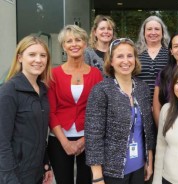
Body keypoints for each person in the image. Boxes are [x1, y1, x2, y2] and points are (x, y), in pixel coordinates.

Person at [85, 38, 156, 184]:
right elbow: (93, 136)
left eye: (130, 56)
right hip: (113, 171)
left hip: (139, 167)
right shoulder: (101, 90)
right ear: (110, 61)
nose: (126, 61)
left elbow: (148, 130)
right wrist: (97, 176)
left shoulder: (142, 88)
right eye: (120, 56)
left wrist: (149, 161)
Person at [47, 25, 103, 184]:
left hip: (89, 138)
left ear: (85, 44)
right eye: (69, 41)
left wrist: (83, 140)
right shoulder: (54, 74)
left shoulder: (95, 74)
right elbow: (51, 112)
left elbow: (99, 111)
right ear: (63, 46)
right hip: (59, 139)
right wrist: (65, 143)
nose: (74, 44)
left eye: (78, 40)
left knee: (85, 181)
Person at [0, 35, 53, 184]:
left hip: (36, 173)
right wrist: (9, 178)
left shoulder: (43, 90)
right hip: (15, 175)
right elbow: (2, 141)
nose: (38, 60)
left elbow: (40, 133)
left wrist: (46, 164)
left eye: (43, 55)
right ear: (20, 58)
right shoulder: (9, 91)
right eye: (32, 54)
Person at [136, 15, 170, 99]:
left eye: (157, 29)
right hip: (140, 102)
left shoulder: (171, 53)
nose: (153, 32)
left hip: (165, 103)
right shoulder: (135, 53)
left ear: (163, 32)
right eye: (149, 29)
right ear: (143, 32)